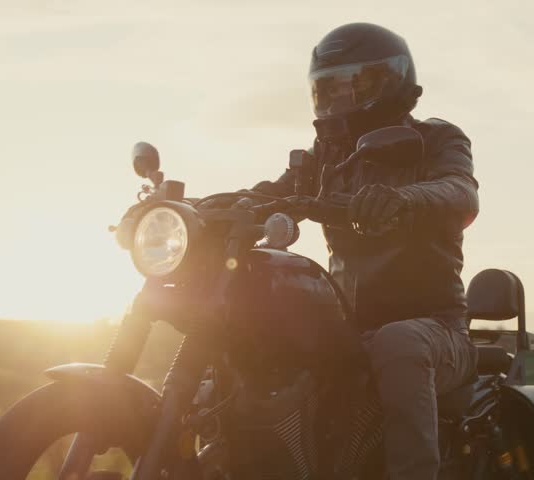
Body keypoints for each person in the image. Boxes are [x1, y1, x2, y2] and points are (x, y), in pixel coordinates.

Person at [204, 23, 479, 480]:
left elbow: (460, 191)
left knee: (399, 340)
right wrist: (205, 210)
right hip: (350, 330)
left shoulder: (437, 140)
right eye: (327, 88)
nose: (337, 100)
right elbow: (274, 192)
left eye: (354, 85)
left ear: (391, 83)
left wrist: (406, 199)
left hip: (436, 329)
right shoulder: (326, 155)